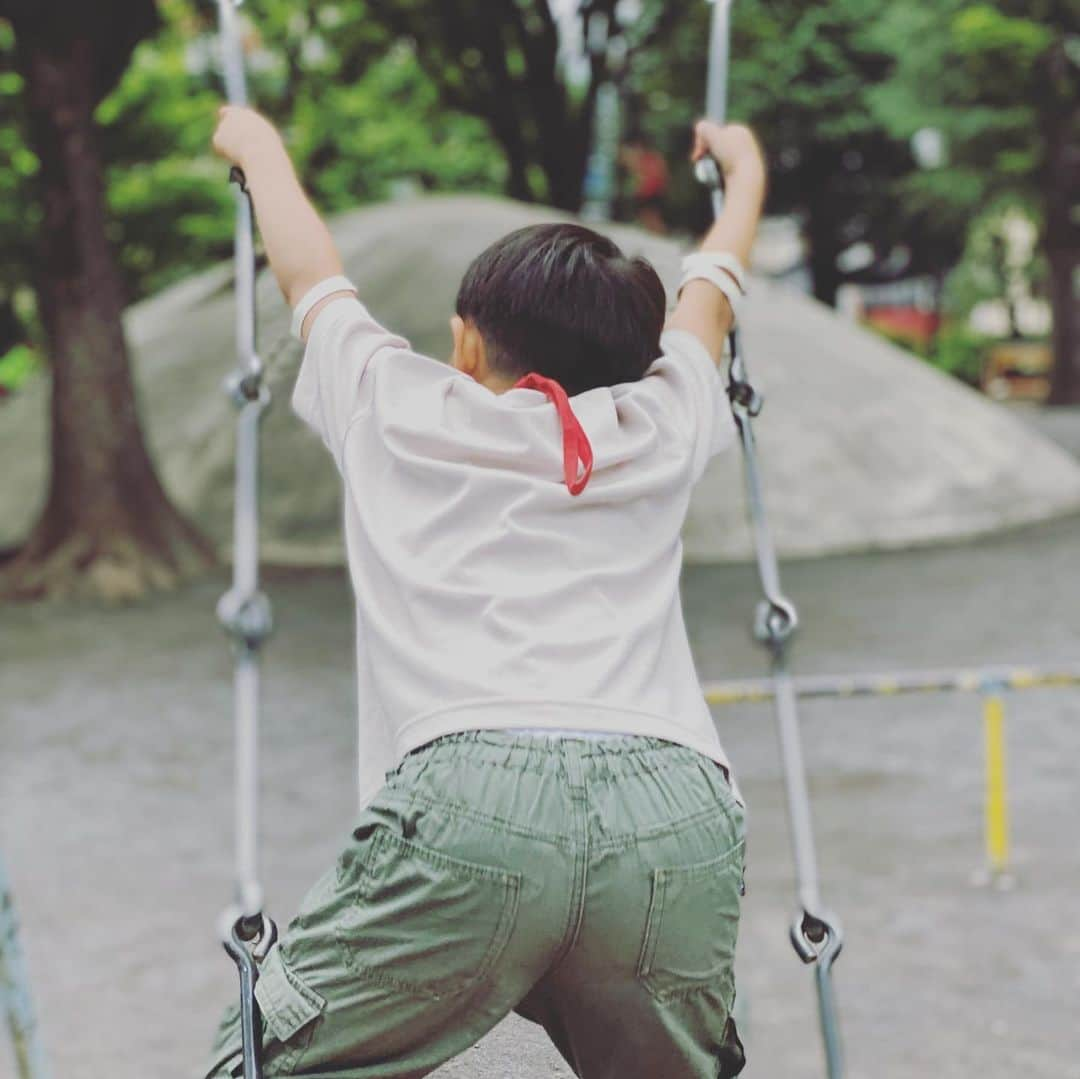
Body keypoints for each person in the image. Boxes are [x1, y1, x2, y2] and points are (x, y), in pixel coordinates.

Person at [205, 106, 767, 1079]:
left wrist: (256, 148)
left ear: (465, 345)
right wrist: (745, 171)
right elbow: (710, 290)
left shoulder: (395, 401)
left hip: (477, 797)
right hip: (674, 803)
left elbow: (309, 271)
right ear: (639, 357)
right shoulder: (663, 414)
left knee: (257, 1065)